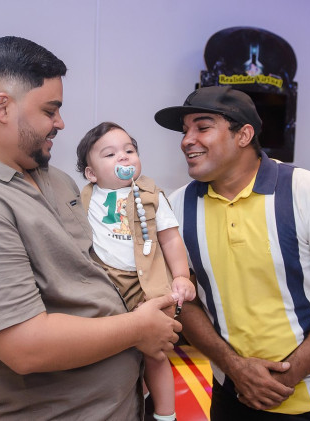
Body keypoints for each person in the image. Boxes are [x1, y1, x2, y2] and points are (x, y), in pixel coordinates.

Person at [0, 36, 181, 421]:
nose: (60, 123)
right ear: (3, 107)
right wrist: (138, 329)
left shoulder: (57, 180)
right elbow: (25, 346)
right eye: (50, 110)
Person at [154, 85, 310, 420]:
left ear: (243, 135)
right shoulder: (176, 207)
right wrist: (236, 368)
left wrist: (282, 379)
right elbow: (186, 300)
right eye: (185, 131)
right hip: (232, 392)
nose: (186, 140)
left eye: (202, 127)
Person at [76, 122, 196, 421]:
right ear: (91, 173)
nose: (123, 157)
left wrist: (181, 275)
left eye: (129, 150)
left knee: (155, 353)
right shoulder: (84, 199)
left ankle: (165, 414)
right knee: (116, 351)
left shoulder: (151, 196)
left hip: (149, 286)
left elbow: (170, 238)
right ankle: (133, 398)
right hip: (106, 286)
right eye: (110, 154)